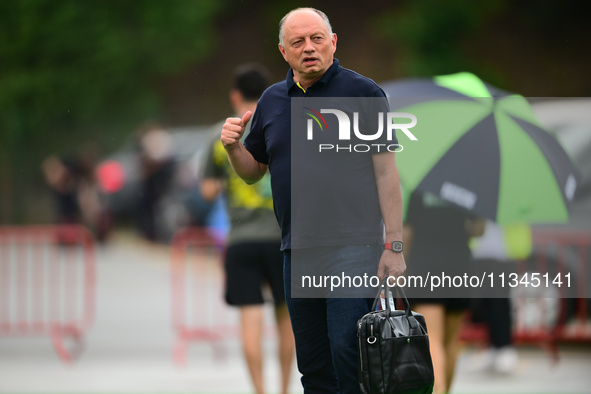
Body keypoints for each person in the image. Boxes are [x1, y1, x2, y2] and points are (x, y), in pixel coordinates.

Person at [221, 8, 406, 393]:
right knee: (314, 364)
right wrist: (233, 147)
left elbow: (387, 173)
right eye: (298, 42)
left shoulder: (363, 93)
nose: (309, 48)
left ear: (333, 42)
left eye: (317, 38)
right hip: (296, 249)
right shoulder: (272, 101)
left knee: (348, 352)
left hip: (353, 247)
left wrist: (395, 244)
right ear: (283, 52)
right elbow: (253, 171)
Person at [200, 63, 295, 394]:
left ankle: (259, 390)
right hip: (282, 238)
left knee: (250, 325)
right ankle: (284, 389)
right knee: (288, 325)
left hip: (240, 239)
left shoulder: (219, 134)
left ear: (234, 95)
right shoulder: (280, 123)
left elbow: (208, 191)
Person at [403, 191, 485, 394]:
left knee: (432, 339)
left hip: (425, 265)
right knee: (450, 341)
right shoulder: (467, 188)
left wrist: (402, 270)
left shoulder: (422, 189)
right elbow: (479, 230)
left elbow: (408, 231)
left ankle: (437, 391)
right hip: (458, 265)